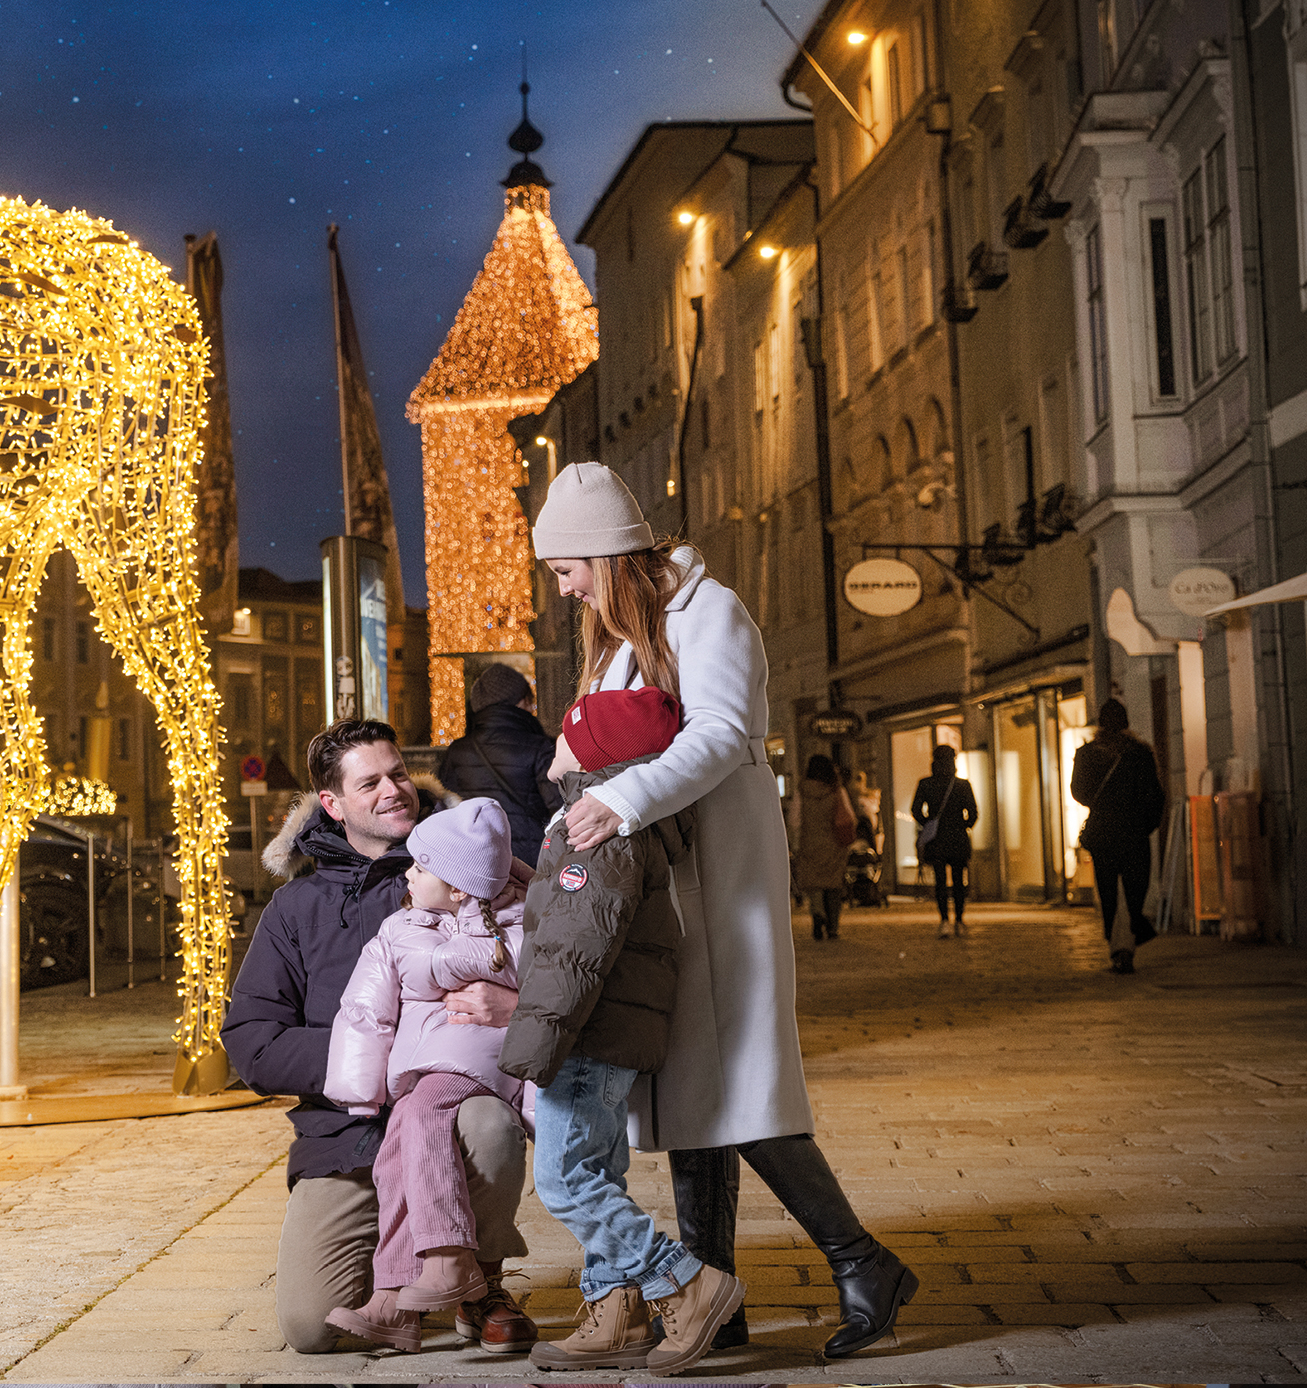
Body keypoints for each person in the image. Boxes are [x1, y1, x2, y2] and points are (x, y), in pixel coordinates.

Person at [486, 462, 918, 1363]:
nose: (561, 586)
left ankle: (856, 1260)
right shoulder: (618, 637)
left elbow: (724, 731)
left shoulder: (709, 610)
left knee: (736, 1085)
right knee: (697, 1090)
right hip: (662, 887)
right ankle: (724, 1300)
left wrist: (624, 798)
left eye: (567, 566)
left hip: (720, 877)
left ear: (607, 555)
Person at [222, 721, 535, 1356]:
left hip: (454, 1108)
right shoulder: (297, 907)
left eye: (398, 773)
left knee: (489, 1124)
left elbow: (553, 971)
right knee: (312, 1328)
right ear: (332, 805)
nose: (394, 789)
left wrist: (515, 1006)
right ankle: (409, 1285)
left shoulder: (476, 872)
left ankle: (478, 1284)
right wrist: (377, 1057)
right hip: (348, 1135)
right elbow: (252, 1041)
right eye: (370, 783)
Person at [500, 685, 744, 1374]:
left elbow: (577, 944)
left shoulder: (592, 829)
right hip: (606, 1031)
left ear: (596, 754)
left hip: (586, 1033)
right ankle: (617, 1308)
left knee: (566, 1179)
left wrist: (536, 1042)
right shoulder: (602, 821)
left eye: (571, 729)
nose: (558, 735)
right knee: (595, 1168)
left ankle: (687, 1282)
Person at [319, 800, 534, 1353]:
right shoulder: (408, 922)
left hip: (473, 1059)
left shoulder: (513, 923)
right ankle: (393, 1300)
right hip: (430, 1065)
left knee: (422, 1112)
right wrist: (360, 1090)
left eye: (420, 866)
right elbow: (365, 1010)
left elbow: (437, 967)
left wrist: (477, 952)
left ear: (460, 888)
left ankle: (448, 1258)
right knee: (397, 1148)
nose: (407, 874)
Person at [436, 662, 562, 869]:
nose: (532, 708)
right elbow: (562, 810)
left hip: (477, 860)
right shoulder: (541, 747)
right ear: (520, 702)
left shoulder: (457, 751)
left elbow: (447, 812)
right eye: (530, 701)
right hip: (533, 864)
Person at [1072, 698, 1165, 975]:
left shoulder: (1087, 754)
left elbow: (1079, 792)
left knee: (1108, 891)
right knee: (1136, 890)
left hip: (1103, 832)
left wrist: (1100, 807)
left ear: (1100, 723)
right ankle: (1131, 938)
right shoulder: (1141, 753)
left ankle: (1117, 948)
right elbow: (1155, 796)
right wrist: (1146, 824)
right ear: (1126, 722)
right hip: (1134, 832)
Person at [912, 745, 978, 938]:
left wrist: (929, 824)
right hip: (958, 837)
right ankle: (959, 920)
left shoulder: (925, 784)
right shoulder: (962, 785)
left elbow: (916, 810)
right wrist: (964, 824)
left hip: (936, 839)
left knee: (940, 881)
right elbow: (973, 812)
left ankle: (944, 921)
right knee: (959, 881)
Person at [794, 755, 856, 940]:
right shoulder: (837, 791)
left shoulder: (802, 791)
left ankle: (818, 913)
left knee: (814, 884)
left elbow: (794, 820)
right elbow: (849, 817)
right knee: (834, 885)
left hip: (809, 843)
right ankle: (833, 927)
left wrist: (796, 841)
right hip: (834, 844)